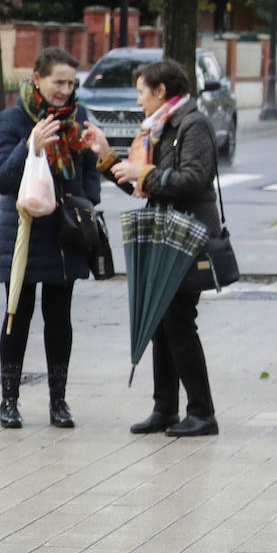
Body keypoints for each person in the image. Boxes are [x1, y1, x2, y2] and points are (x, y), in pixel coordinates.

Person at [84, 59, 221, 437]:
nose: (139, 99)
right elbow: (143, 186)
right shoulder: (158, 128)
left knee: (178, 322)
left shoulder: (193, 125)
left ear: (161, 92)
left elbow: (193, 179)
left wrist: (144, 173)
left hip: (188, 235)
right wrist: (108, 157)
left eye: (142, 91)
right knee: (161, 321)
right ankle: (165, 409)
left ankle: (202, 413)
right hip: (166, 235)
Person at [0, 46, 103, 429]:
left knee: (59, 318)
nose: (65, 91)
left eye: (71, 84)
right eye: (58, 82)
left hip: (64, 232)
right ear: (37, 79)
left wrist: (87, 200)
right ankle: (9, 401)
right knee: (16, 316)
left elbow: (90, 169)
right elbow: (1, 180)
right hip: (23, 232)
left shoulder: (79, 118)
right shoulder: (13, 120)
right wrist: (30, 147)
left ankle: (59, 401)